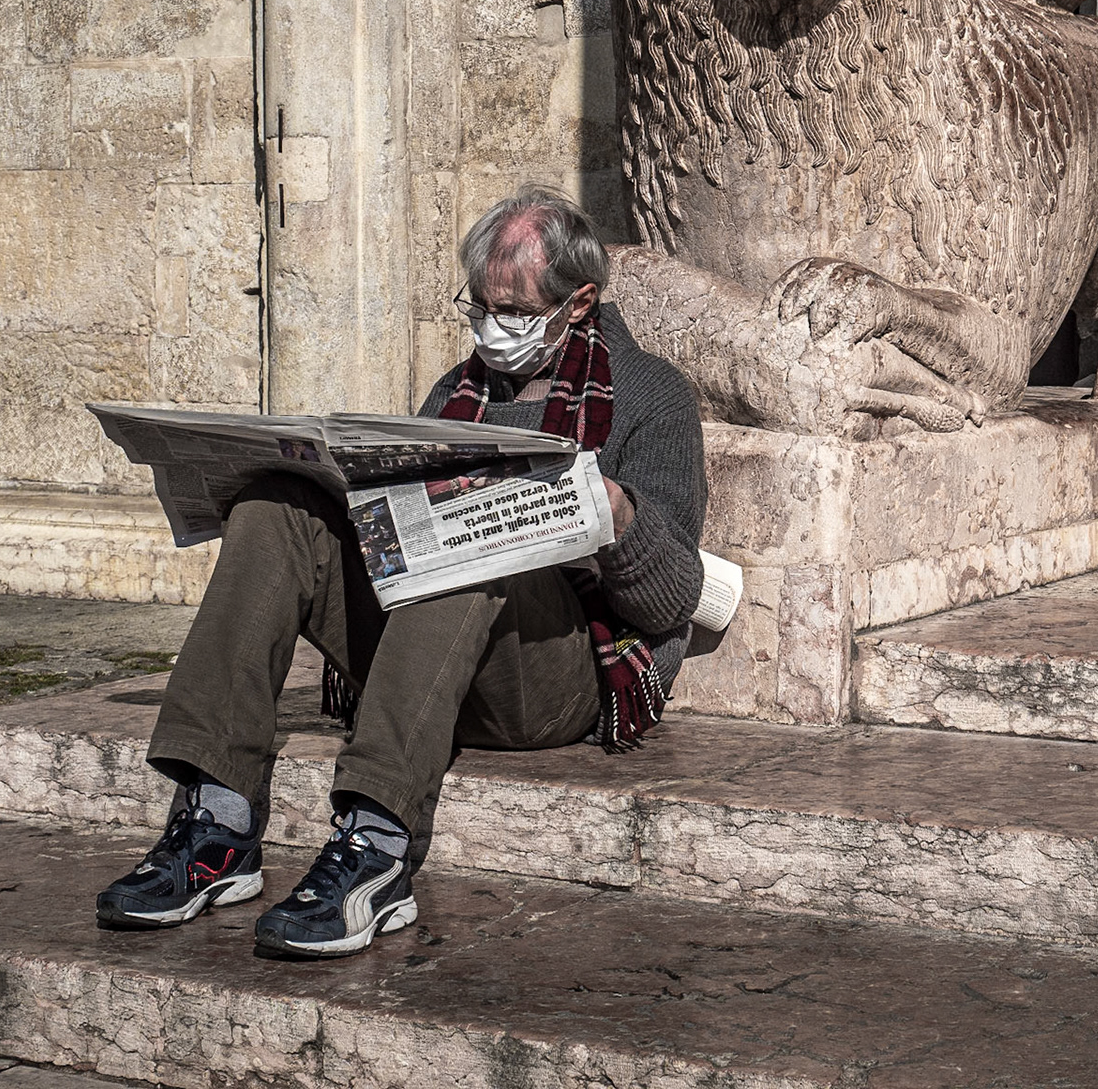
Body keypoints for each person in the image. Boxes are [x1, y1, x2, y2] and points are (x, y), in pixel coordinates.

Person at [95, 185, 707, 957]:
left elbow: (674, 598)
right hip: (429, 659)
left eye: (515, 311)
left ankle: (376, 849)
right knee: (277, 505)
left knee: (466, 537)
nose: (493, 327)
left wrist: (616, 513)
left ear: (578, 302)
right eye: (480, 306)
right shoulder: (456, 392)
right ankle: (216, 826)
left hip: (553, 676)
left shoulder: (653, 396)